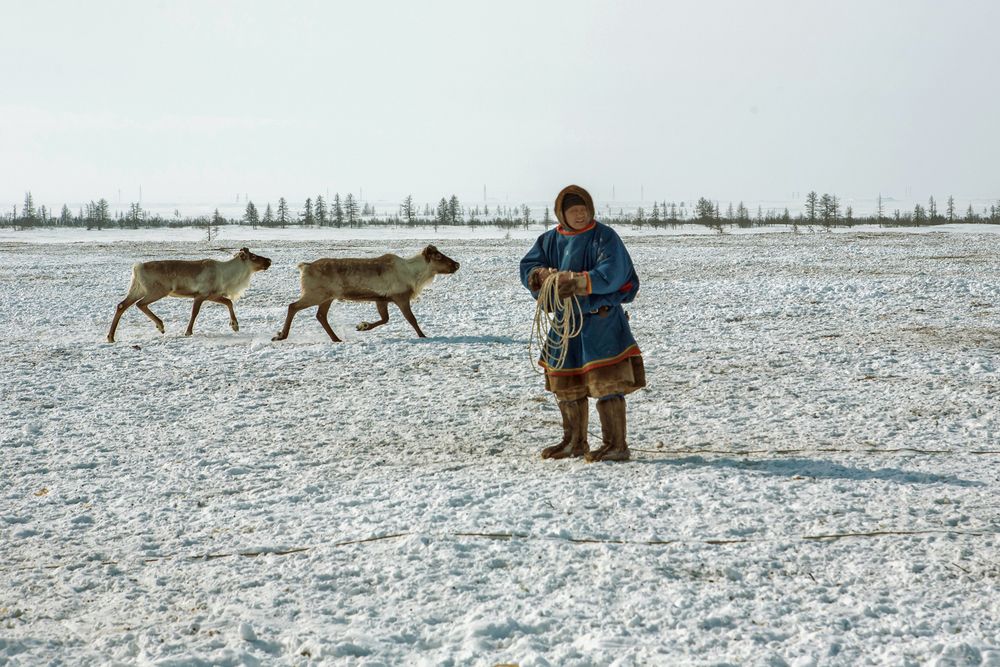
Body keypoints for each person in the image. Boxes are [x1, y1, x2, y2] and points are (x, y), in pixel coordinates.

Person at [520, 184, 645, 462]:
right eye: (574, 210)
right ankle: (574, 442)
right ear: (562, 214)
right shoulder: (549, 240)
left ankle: (616, 444)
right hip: (566, 323)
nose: (580, 215)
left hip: (601, 322)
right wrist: (541, 275)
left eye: (584, 209)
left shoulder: (605, 237)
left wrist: (578, 282)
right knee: (567, 384)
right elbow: (528, 266)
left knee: (607, 384)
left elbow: (613, 271)